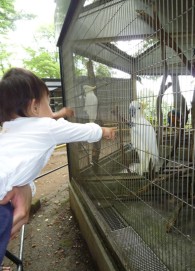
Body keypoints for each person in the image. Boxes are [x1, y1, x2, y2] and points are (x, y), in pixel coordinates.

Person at [0, 67, 116, 266]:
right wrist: (102, 130)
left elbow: (42, 124)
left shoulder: (8, 131)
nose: (51, 109)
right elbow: (76, 130)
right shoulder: (46, 127)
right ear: (34, 107)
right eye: (49, 102)